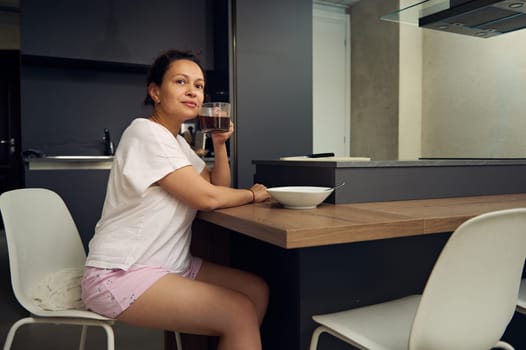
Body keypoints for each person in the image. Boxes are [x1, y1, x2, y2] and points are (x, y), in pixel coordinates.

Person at [81, 49, 271, 350]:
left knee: (256, 291)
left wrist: (219, 145)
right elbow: (206, 198)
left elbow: (217, 186)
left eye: (198, 85)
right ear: (155, 91)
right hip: (121, 271)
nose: (192, 91)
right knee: (239, 312)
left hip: (169, 264)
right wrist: (253, 194)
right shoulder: (144, 132)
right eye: (181, 82)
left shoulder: (178, 142)